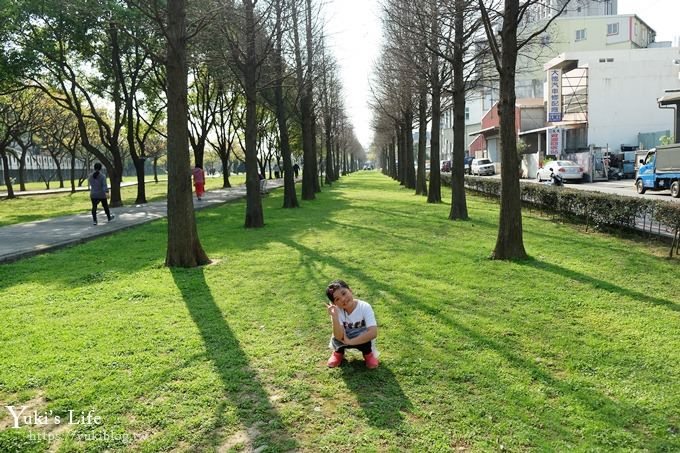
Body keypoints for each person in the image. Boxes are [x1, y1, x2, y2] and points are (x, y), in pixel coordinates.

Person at [325, 279, 379, 369]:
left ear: (350, 290)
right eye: (337, 299)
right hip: (343, 338)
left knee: (366, 339)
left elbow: (373, 332)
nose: (343, 299)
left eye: (344, 293)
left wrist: (351, 342)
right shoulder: (336, 311)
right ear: (334, 303)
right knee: (336, 337)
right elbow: (338, 336)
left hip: (360, 338)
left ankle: (368, 355)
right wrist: (335, 317)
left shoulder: (365, 307)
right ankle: (338, 354)